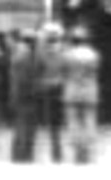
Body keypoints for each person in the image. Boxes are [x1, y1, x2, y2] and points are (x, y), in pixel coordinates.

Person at [61, 26, 102, 164]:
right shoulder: (93, 54)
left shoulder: (67, 55)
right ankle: (87, 149)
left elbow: (64, 72)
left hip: (72, 91)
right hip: (89, 91)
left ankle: (77, 151)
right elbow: (95, 71)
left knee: (73, 120)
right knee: (89, 119)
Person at [8, 29, 44, 163]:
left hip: (19, 93)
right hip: (26, 94)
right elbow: (26, 77)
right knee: (26, 125)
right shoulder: (26, 54)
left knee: (20, 124)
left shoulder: (19, 52)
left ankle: (19, 154)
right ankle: (24, 154)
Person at [36, 23, 67, 162]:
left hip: (47, 86)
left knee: (51, 121)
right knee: (58, 120)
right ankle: (58, 150)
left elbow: (39, 68)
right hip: (61, 86)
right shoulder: (64, 50)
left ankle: (55, 150)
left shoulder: (41, 52)